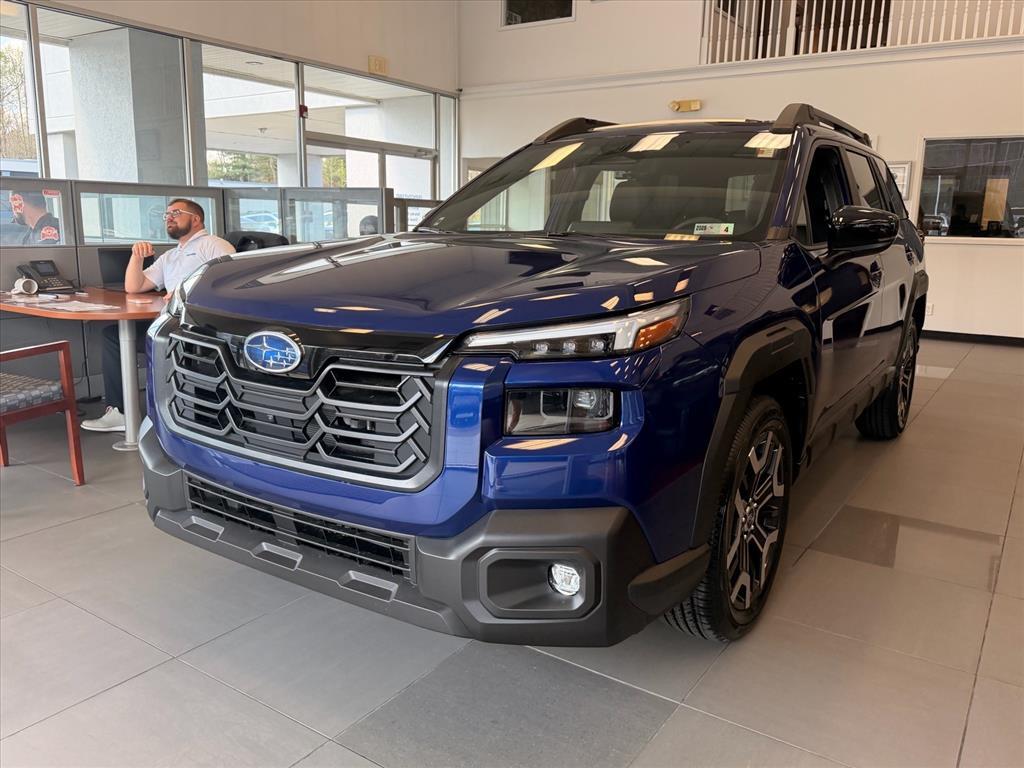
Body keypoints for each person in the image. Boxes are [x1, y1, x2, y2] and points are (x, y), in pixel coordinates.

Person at [81, 198, 235, 433]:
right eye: (166, 215)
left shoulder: (213, 244)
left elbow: (230, 278)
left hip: (197, 328)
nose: (169, 218)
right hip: (169, 324)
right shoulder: (170, 255)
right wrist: (136, 256)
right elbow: (134, 286)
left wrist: (186, 289)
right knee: (113, 336)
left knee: (120, 336)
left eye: (176, 213)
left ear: (196, 219)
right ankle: (120, 412)